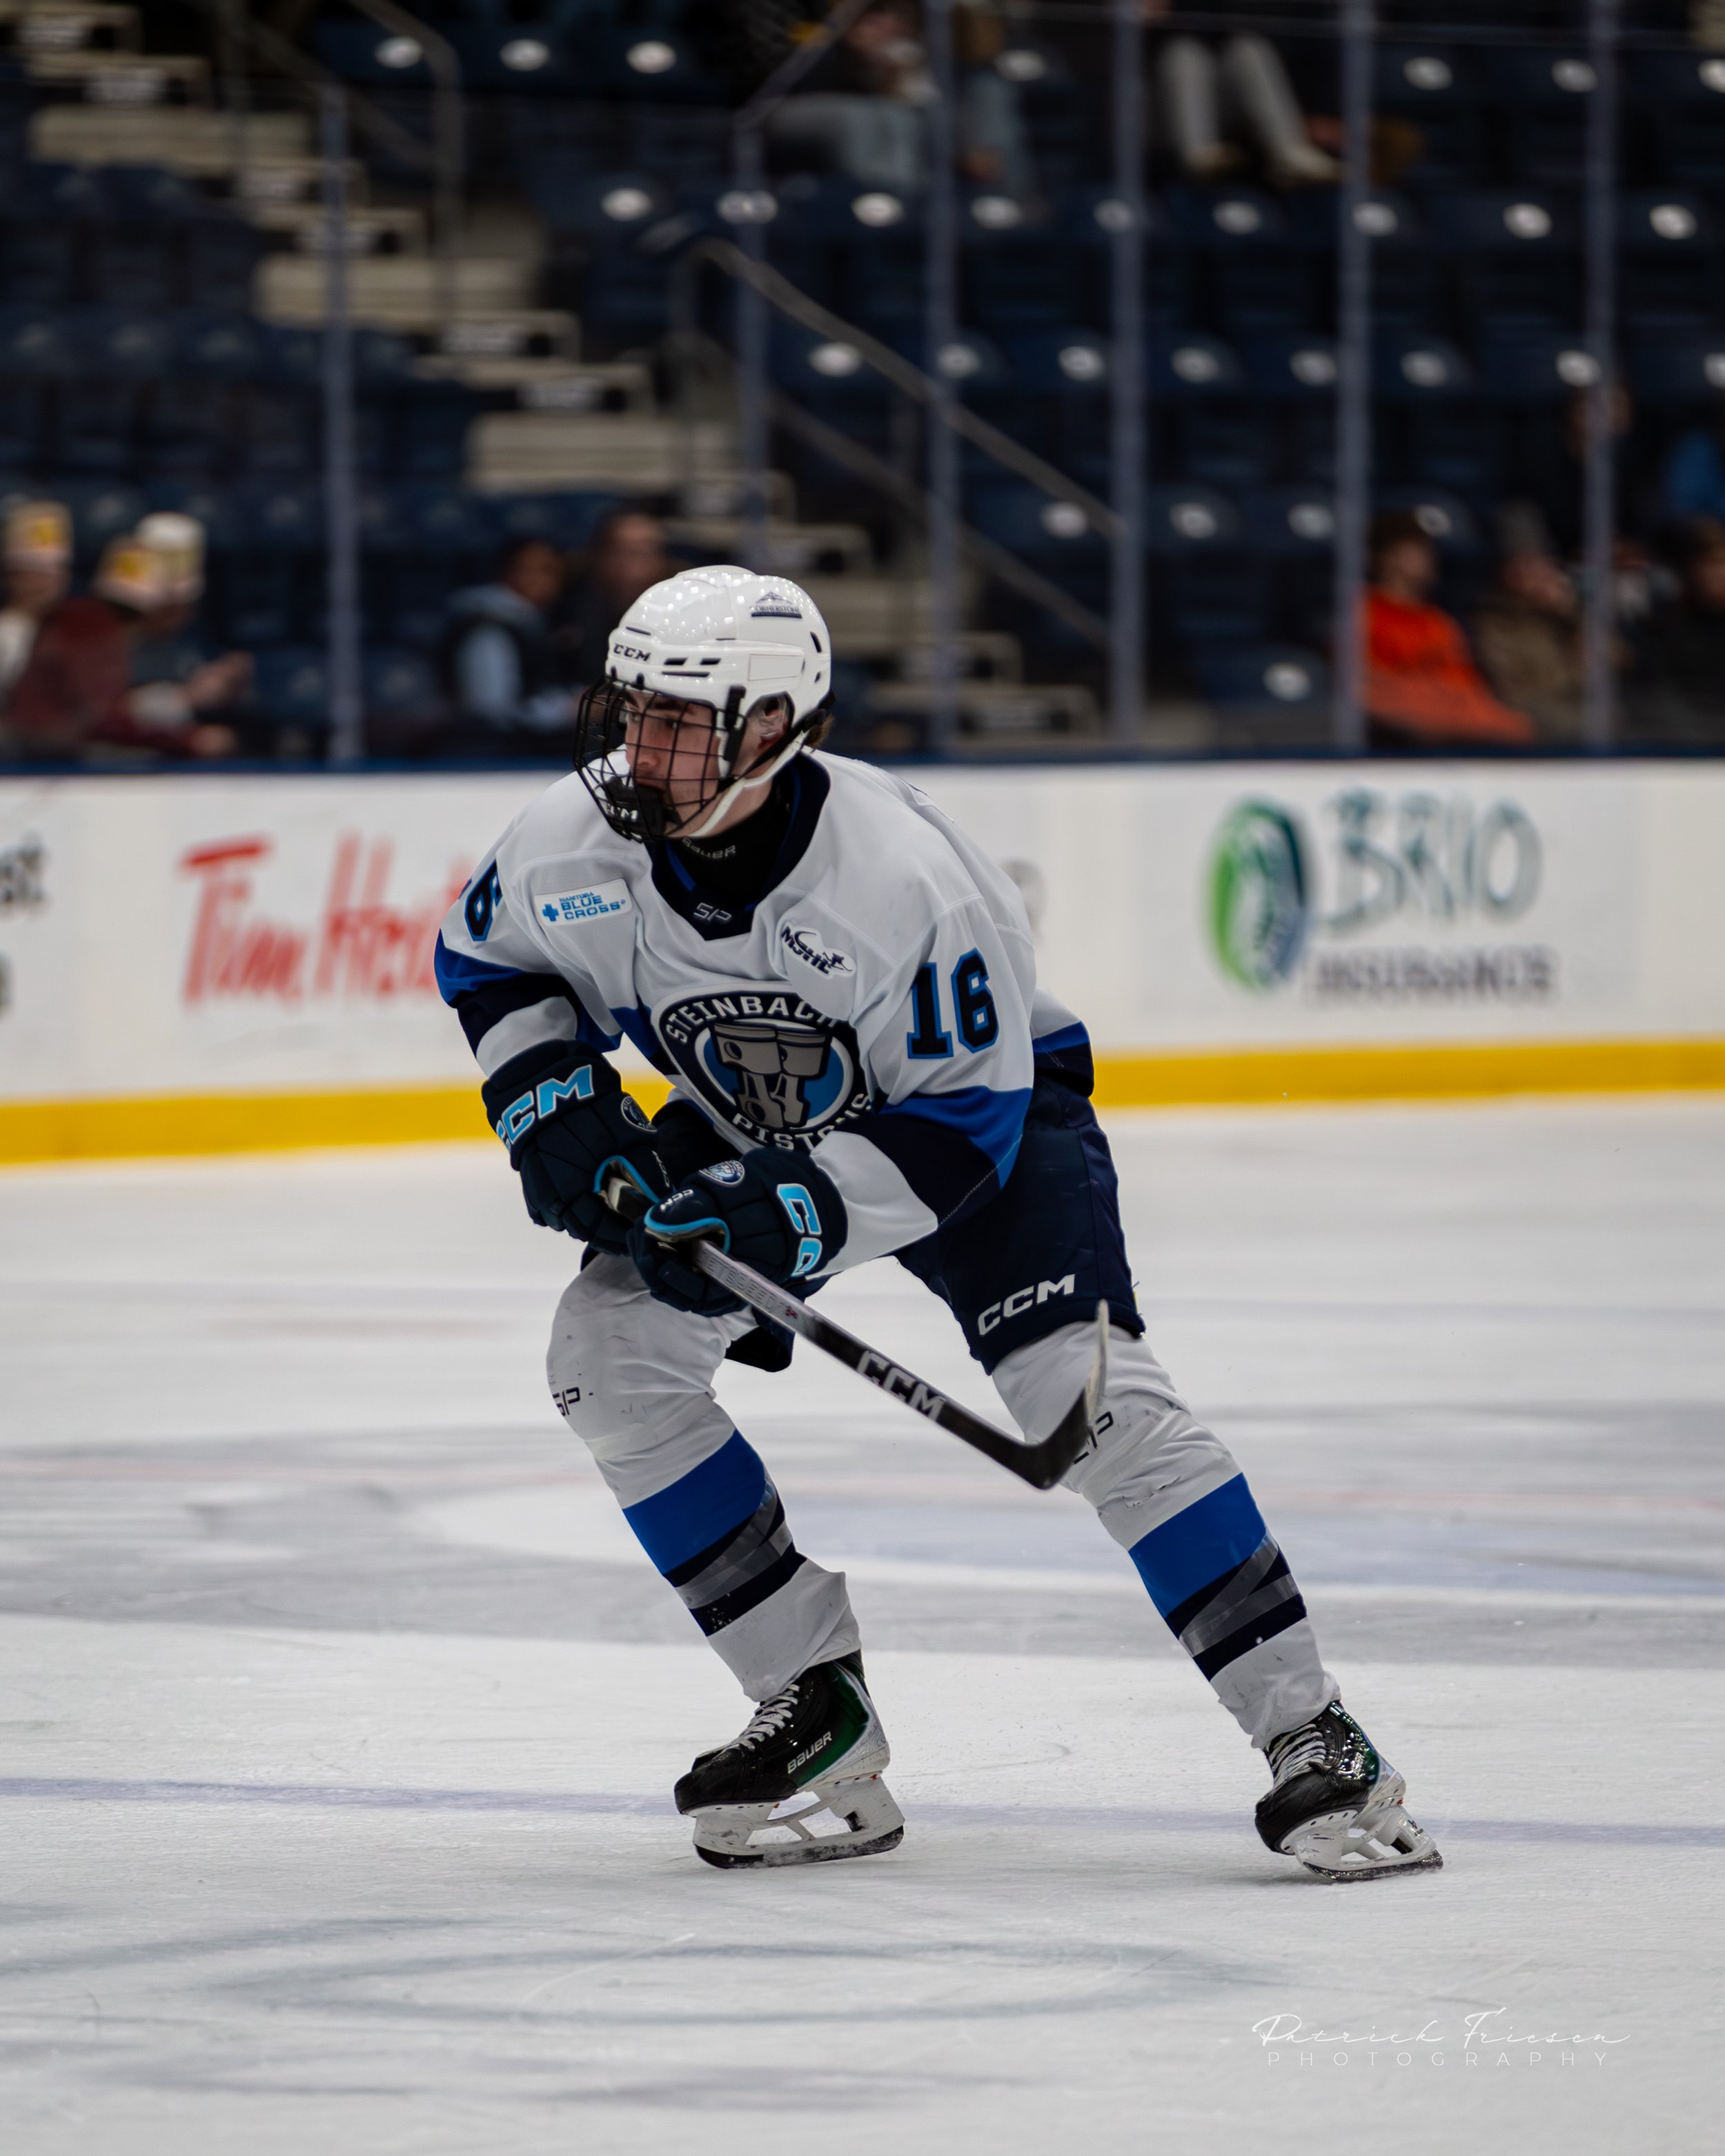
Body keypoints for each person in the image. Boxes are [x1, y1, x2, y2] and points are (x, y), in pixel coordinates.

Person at [433, 563, 1441, 1881]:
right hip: (750, 1120)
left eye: (680, 721)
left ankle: (1314, 1732)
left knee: (1092, 1408)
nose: (641, 750)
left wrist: (789, 1212)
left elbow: (964, 1127)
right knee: (607, 1359)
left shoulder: (902, 876)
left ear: (774, 728)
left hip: (982, 1130)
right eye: (634, 711)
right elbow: (489, 958)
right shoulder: (570, 839)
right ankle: (813, 1707)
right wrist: (553, 1101)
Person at [3, 532, 238, 762]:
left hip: (42, 744)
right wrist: (187, 741)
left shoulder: (72, 619)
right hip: (33, 752)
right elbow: (100, 722)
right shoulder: (92, 632)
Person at [1363, 511, 1535, 751]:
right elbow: (1371, 692)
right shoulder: (1363, 615)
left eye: (1428, 550)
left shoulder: (1439, 623)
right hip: (1397, 745)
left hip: (1457, 735)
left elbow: (1466, 689)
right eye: (1416, 549)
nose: (1428, 558)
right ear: (1388, 556)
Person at [1145, 1, 1341, 188]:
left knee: (1248, 49)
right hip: (1161, 108)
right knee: (1185, 54)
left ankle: (1290, 153)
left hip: (1231, 109)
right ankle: (1200, 154)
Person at [439, 536, 577, 756]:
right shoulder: (489, 629)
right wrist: (567, 710)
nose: (536, 579)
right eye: (525, 569)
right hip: (487, 757)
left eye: (548, 571)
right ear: (505, 572)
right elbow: (490, 712)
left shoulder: (533, 622)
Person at [1471, 514, 1593, 743]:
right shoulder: (1496, 624)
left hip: (1586, 717)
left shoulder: (1566, 613)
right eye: (1521, 564)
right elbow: (1512, 695)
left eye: (1538, 562)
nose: (1531, 573)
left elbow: (1614, 662)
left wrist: (1571, 616)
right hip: (1542, 732)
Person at [1626, 516, 1725, 747]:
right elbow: (1654, 699)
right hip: (1684, 749)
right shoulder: (1661, 629)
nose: (1722, 573)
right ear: (1691, 570)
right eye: (1712, 563)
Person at [553, 508, 676, 690]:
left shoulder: (684, 614)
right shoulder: (562, 609)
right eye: (623, 550)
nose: (633, 562)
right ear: (600, 555)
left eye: (645, 550)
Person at [0, 500, 72, 715]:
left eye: (51, 575)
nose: (43, 584)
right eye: (32, 574)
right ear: (12, 576)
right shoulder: (5, 631)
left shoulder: (73, 631)